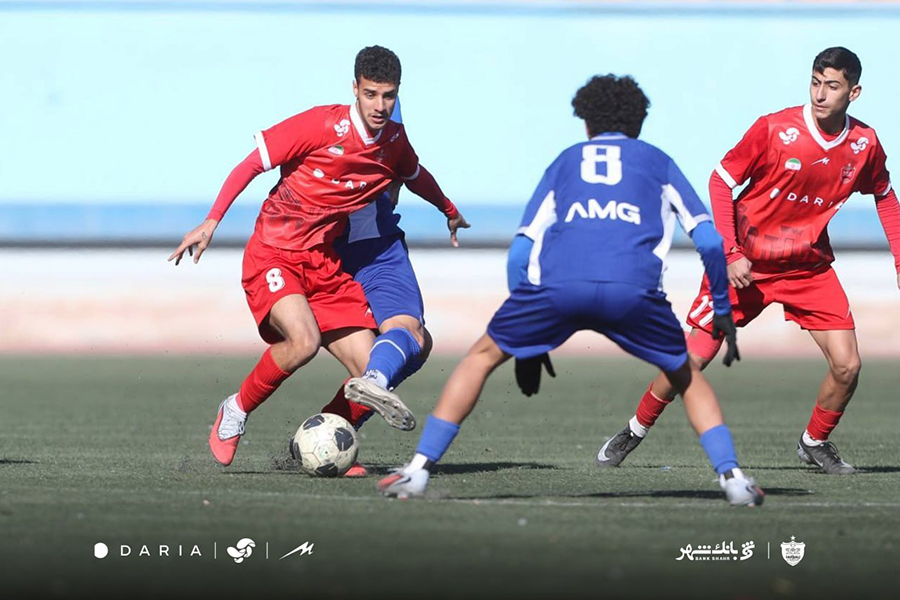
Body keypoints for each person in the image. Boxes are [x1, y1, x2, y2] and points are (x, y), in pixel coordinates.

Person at [377, 74, 764, 506]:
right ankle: (733, 480)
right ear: (638, 124)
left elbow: (519, 253)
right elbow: (709, 241)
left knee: (480, 357)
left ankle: (417, 472)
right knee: (686, 376)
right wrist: (721, 307)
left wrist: (526, 343)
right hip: (633, 291)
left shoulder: (565, 162)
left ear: (586, 123)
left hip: (558, 289)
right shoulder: (658, 162)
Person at [599, 47, 900, 475]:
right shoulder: (774, 129)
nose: (820, 94)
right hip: (745, 267)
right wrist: (731, 252)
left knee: (848, 365)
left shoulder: (863, 144)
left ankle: (814, 442)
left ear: (854, 93)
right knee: (691, 361)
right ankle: (635, 429)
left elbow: (885, 197)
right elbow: (720, 181)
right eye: (815, 82)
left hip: (807, 268)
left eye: (832, 86)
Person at [168, 46, 466, 467]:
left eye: (388, 96)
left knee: (373, 374)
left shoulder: (393, 142)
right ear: (355, 89)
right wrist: (211, 220)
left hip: (323, 263)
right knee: (303, 341)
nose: (379, 106)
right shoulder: (320, 125)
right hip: (274, 253)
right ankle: (235, 409)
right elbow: (251, 165)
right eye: (371, 94)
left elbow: (416, 176)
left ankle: (327, 442)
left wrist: (449, 210)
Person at [319, 99, 470, 476]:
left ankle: (330, 429)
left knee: (413, 342)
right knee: (384, 351)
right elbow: (405, 169)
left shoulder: (370, 129)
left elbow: (408, 169)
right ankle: (245, 409)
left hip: (369, 250)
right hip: (331, 257)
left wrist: (447, 208)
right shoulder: (342, 137)